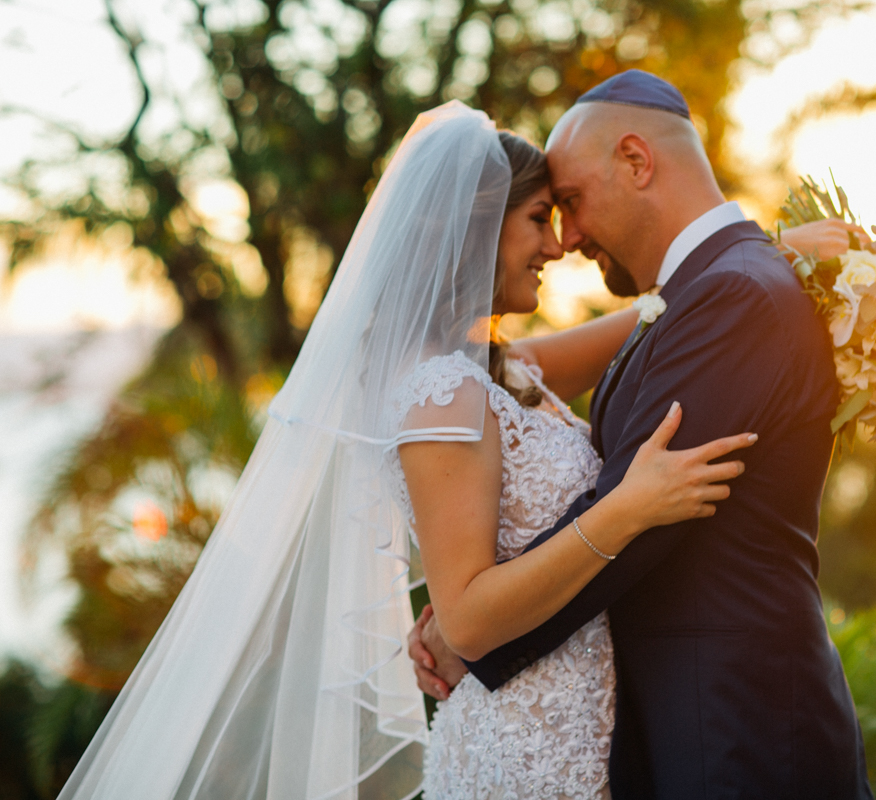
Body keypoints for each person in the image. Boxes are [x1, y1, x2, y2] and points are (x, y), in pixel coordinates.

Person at [53, 100, 754, 800]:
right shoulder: (442, 394)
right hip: (526, 753)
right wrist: (627, 509)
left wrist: (765, 250)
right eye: (540, 218)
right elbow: (470, 619)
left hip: (580, 732)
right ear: (476, 226)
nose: (558, 245)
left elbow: (645, 319)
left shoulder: (494, 372)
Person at [411, 71, 875, 798]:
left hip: (735, 737)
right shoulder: (709, 292)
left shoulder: (736, 295)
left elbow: (636, 515)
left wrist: (470, 635)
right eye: (544, 215)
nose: (564, 239)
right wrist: (473, 614)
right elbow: (613, 479)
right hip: (664, 733)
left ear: (636, 161)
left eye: (567, 203)